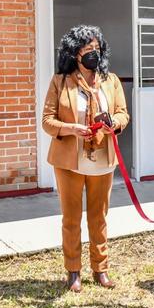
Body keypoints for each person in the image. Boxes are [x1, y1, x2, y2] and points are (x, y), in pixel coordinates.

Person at [42, 25, 129, 293]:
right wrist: (70, 128)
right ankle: (73, 271)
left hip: (102, 157)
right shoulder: (60, 81)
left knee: (98, 217)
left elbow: (123, 114)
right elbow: (47, 121)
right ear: (74, 52)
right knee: (71, 218)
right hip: (70, 160)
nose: (93, 53)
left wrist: (112, 124)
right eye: (86, 48)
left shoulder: (110, 80)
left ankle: (100, 269)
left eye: (96, 48)